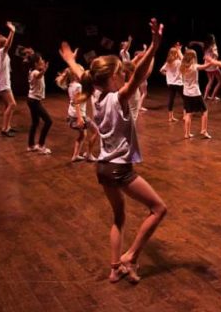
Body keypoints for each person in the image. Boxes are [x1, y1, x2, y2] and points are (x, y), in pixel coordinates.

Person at [59, 18, 167, 284]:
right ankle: (130, 257)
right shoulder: (117, 98)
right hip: (119, 168)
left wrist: (70, 61)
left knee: (118, 216)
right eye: (121, 74)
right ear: (115, 77)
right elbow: (139, 75)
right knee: (158, 209)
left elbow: (82, 71)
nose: (124, 77)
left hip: (103, 168)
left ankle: (114, 268)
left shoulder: (95, 93)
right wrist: (154, 46)